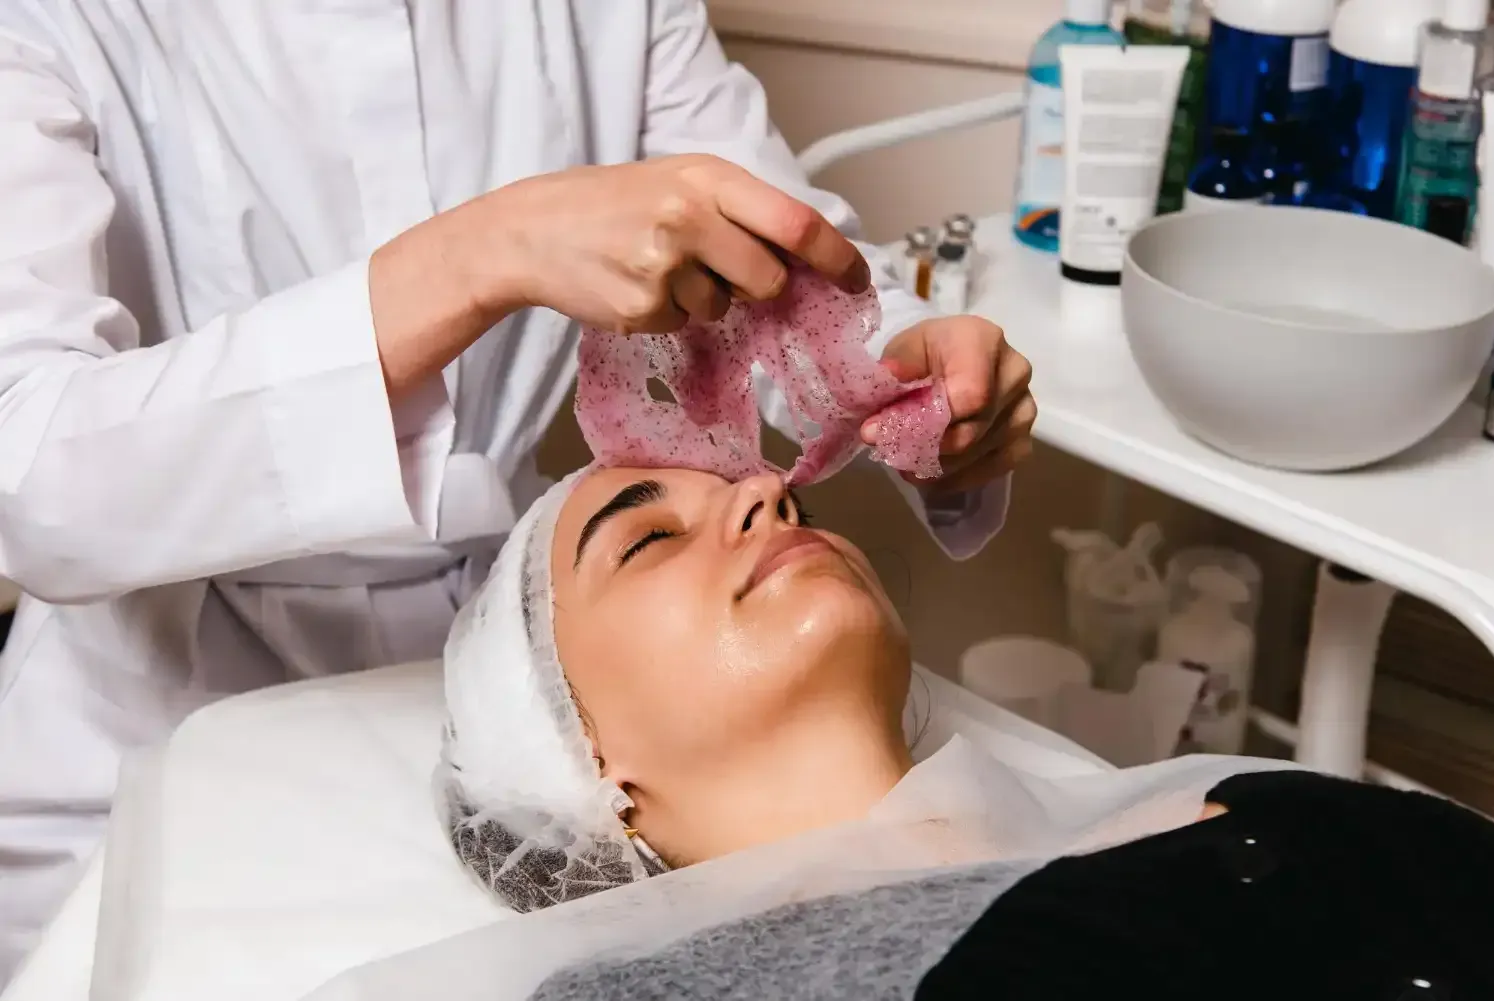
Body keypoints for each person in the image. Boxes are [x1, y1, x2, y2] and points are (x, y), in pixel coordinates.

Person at [0, 0, 1038, 979]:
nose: (764, 501)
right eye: (650, 537)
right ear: (607, 777)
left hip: (514, 643)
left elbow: (787, 267)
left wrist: (910, 381)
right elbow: (27, 466)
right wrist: (475, 258)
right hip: (147, 691)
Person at [420, 464, 1494, 1001]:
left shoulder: (1257, 808)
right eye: (647, 539)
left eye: (763, 486)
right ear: (579, 765)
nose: (767, 489)